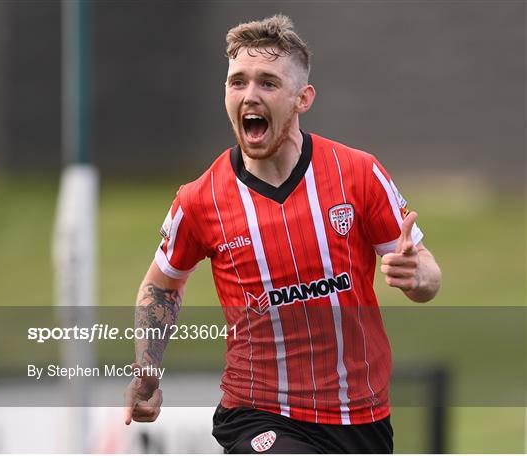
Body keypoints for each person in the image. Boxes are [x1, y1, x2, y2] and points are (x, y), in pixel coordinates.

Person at [124, 14, 442, 453]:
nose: (249, 95)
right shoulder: (200, 199)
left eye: (268, 83)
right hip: (257, 412)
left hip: (361, 416)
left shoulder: (358, 174)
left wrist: (418, 276)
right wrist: (148, 368)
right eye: (238, 82)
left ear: (302, 98)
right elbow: (161, 285)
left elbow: (428, 274)